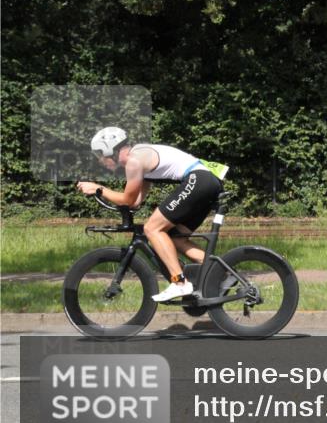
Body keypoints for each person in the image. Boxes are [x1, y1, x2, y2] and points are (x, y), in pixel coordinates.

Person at [76, 127, 225, 302]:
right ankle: (223, 273)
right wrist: (113, 200)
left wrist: (98, 189)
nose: (100, 161)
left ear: (110, 150)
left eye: (99, 155)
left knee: (153, 229)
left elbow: (127, 200)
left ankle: (179, 282)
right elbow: (136, 201)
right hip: (207, 182)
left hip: (199, 180)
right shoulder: (140, 156)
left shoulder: (134, 161)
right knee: (176, 238)